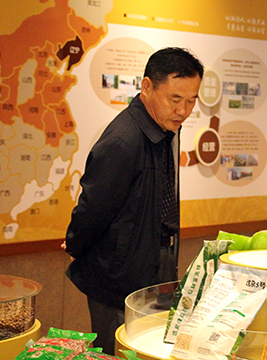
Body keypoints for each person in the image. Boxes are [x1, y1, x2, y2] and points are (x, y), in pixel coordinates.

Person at [64, 47, 204, 354]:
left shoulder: (165, 130)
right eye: (175, 99)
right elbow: (93, 208)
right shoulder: (123, 140)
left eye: (192, 100)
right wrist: (75, 244)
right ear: (147, 87)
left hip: (157, 264)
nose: (183, 110)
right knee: (120, 350)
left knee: (153, 348)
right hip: (120, 275)